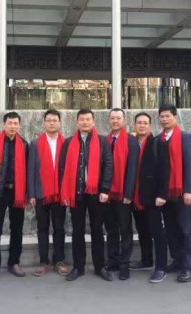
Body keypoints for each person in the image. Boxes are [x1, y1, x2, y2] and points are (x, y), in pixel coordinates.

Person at [59, 108, 113, 282]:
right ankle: (78, 267)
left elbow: (108, 165)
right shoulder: (68, 142)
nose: (85, 122)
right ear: (76, 122)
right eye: (82, 119)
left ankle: (100, 267)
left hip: (96, 193)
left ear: (93, 121)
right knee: (77, 230)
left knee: (97, 229)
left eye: (88, 119)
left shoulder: (102, 141)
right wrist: (64, 192)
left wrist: (105, 189)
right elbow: (62, 168)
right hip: (76, 193)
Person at [149, 104, 191, 284]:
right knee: (171, 230)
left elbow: (190, 165)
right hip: (165, 195)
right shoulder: (156, 140)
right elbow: (156, 169)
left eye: (167, 116)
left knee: (187, 230)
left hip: (183, 193)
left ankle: (189, 267)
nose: (164, 119)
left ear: (175, 118)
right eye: (161, 116)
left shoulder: (185, 137)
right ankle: (177, 261)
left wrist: (188, 190)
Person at [0, 111, 29, 281]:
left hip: (17, 193)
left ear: (19, 125)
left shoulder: (24, 144)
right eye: (10, 123)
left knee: (17, 229)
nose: (13, 126)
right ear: (4, 124)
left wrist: (27, 193)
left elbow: (27, 170)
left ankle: (14, 262)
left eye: (16, 123)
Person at [27, 109, 69, 277]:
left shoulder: (66, 143)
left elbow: (69, 170)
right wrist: (31, 194)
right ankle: (43, 261)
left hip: (59, 194)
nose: (52, 123)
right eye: (49, 120)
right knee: (42, 228)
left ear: (60, 123)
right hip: (41, 193)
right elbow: (31, 169)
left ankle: (59, 260)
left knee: (59, 228)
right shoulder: (35, 143)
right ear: (44, 123)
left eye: (54, 120)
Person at [103, 108, 139, 280]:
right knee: (111, 229)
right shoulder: (105, 140)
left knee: (125, 230)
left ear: (124, 121)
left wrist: (129, 193)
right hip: (108, 194)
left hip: (123, 193)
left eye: (118, 118)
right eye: (112, 118)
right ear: (109, 120)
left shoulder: (131, 141)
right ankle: (113, 260)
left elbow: (133, 168)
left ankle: (125, 264)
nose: (115, 121)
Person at [129, 112, 155, 272]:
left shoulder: (155, 142)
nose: (142, 125)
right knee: (142, 229)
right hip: (134, 194)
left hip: (151, 195)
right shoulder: (131, 142)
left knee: (154, 229)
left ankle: (160, 262)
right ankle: (146, 260)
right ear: (134, 125)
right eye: (139, 123)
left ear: (149, 125)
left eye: (145, 123)